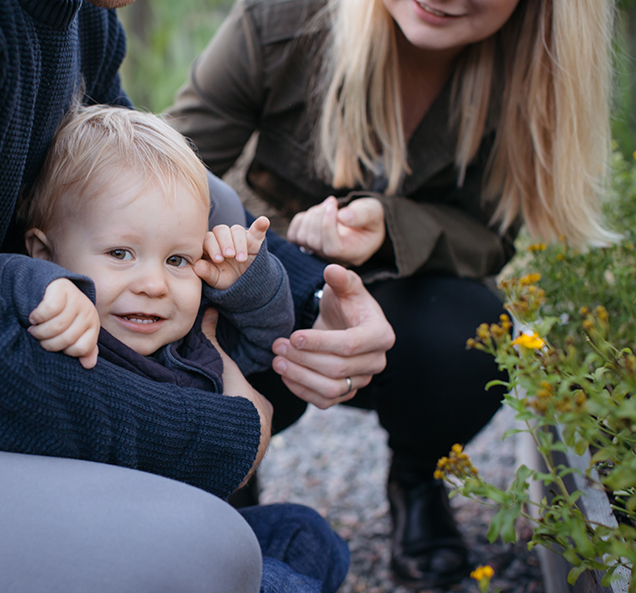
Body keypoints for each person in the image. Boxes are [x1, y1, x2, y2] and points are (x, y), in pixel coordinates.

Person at [0, 0, 393, 591]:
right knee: (201, 551)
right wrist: (222, 430)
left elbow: (136, 179)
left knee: (191, 199)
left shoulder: (82, 17)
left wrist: (312, 300)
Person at [165, 0, 617, 587]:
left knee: (473, 331)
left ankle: (417, 478)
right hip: (255, 302)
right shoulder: (281, 21)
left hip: (402, 318)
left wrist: (392, 224)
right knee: (180, 303)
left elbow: (490, 237)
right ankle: (225, 465)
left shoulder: (530, 68)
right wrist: (269, 275)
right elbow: (160, 172)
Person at [15, 102, 350, 593]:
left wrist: (247, 282)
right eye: (120, 253)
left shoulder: (191, 337)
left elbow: (266, 342)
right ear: (44, 251)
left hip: (194, 532)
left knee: (306, 531)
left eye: (177, 259)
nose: (153, 283)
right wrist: (45, 284)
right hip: (110, 552)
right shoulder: (63, 322)